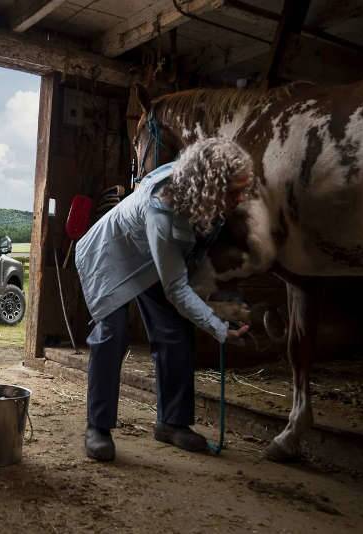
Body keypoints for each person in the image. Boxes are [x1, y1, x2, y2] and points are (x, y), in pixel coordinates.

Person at [75, 137, 253, 462]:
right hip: (111, 256)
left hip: (153, 256)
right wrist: (218, 327)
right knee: (112, 333)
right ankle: (97, 428)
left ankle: (172, 424)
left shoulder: (200, 192)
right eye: (234, 191)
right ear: (211, 187)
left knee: (174, 332)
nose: (241, 198)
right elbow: (177, 289)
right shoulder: (164, 207)